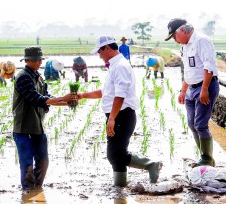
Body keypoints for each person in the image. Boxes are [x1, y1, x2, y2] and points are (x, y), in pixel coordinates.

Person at [75, 35, 162, 187]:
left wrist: (112, 118)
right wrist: (83, 95)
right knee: (116, 154)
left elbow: (120, 95)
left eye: (99, 52)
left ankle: (150, 165)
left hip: (122, 115)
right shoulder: (115, 66)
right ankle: (120, 187)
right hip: (117, 115)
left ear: (107, 48)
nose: (99, 55)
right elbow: (106, 92)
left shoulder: (120, 66)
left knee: (115, 154)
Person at [12, 47, 73, 190]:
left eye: (40, 59)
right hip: (23, 128)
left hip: (37, 126)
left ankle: (37, 190)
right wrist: (62, 98)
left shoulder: (38, 76)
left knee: (43, 161)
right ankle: (27, 190)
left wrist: (66, 102)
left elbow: (47, 95)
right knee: (27, 163)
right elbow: (37, 98)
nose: (39, 62)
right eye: (35, 60)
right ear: (27, 61)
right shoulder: (23, 78)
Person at [165, 18, 219, 167]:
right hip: (191, 89)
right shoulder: (186, 46)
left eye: (174, 36)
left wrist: (204, 90)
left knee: (200, 124)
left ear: (182, 30)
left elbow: (209, 67)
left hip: (204, 87)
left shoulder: (201, 41)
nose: (174, 40)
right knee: (191, 123)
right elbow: (189, 70)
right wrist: (183, 90)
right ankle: (205, 157)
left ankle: (207, 159)